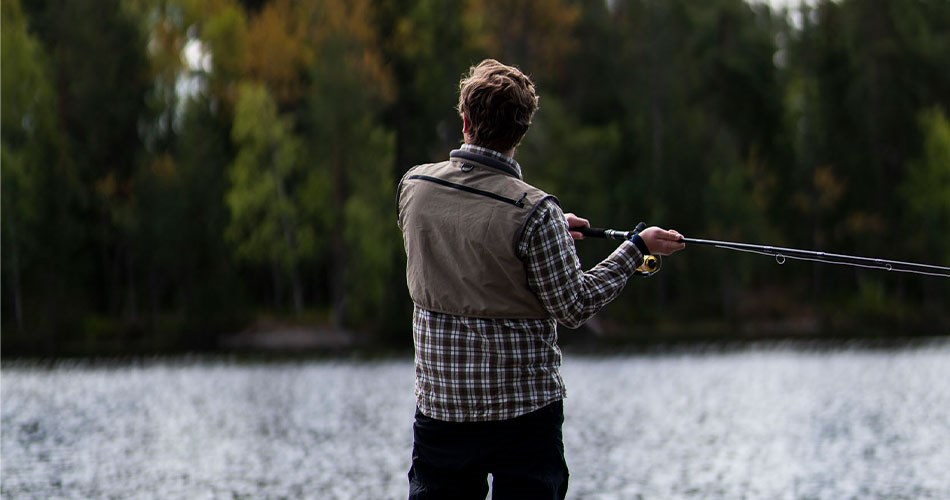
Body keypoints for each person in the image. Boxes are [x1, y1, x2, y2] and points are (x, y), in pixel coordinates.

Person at [396, 59, 685, 499]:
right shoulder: (534, 212)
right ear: (521, 131)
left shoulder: (414, 186)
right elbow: (574, 306)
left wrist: (548, 232)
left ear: (466, 120)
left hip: (442, 412)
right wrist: (635, 249)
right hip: (524, 418)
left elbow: (464, 237)